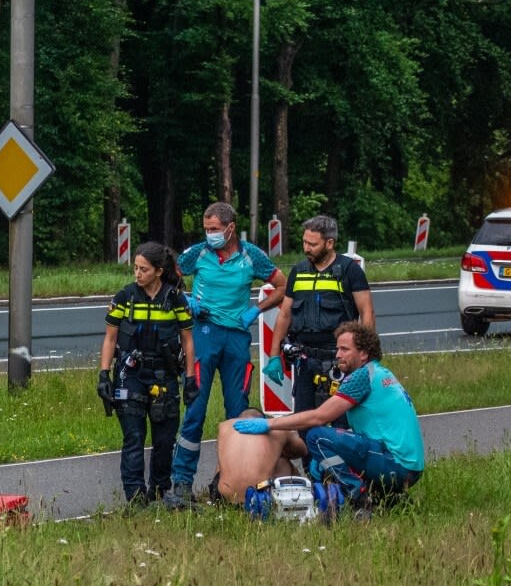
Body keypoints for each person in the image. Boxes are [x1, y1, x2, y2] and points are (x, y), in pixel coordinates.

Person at [166, 202, 287, 508]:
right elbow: (168, 275)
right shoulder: (199, 253)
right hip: (204, 335)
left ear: (230, 228)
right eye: (206, 230)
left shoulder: (252, 256)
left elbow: (284, 285)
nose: (210, 235)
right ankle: (181, 482)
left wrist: (256, 310)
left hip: (236, 339)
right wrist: (186, 299)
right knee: (194, 409)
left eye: (214, 230)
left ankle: (228, 481)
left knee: (238, 415)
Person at [233, 321, 424, 512]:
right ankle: (388, 498)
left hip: (396, 465)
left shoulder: (361, 377)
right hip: (408, 466)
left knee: (317, 436)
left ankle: (358, 498)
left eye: (345, 349)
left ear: (364, 354)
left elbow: (320, 416)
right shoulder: (380, 372)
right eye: (337, 348)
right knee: (333, 450)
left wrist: (270, 424)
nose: (338, 354)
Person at [97, 241, 195, 504]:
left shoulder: (175, 299)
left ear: (159, 271)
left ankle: (161, 490)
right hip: (131, 376)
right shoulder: (124, 297)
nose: (137, 274)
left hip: (164, 377)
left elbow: (187, 340)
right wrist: (104, 374)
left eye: (143, 269)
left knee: (164, 440)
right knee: (134, 438)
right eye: (135, 268)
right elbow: (109, 338)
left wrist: (190, 378)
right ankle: (136, 496)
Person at [264, 215, 374, 414]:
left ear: (330, 243)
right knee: (303, 422)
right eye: (305, 242)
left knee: (342, 424)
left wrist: (366, 356)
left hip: (340, 359)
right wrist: (273, 356)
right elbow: (285, 315)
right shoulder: (298, 271)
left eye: (313, 244)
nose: (306, 248)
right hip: (305, 359)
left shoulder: (350, 271)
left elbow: (367, 312)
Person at [211, 407, 307, 505]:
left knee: (224, 461)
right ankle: (296, 496)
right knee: (283, 461)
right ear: (263, 419)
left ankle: (218, 494)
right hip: (259, 495)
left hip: (223, 497)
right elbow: (302, 451)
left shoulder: (224, 426)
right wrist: (278, 449)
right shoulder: (276, 428)